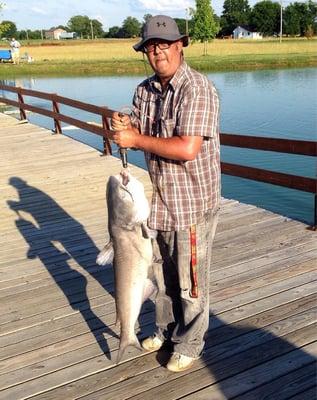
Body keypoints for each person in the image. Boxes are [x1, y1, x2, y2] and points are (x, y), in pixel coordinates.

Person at [110, 15, 221, 372]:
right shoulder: (144, 90)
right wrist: (125, 124)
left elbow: (188, 148)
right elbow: (139, 128)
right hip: (156, 204)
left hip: (191, 203)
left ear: (180, 46)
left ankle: (190, 341)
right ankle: (167, 328)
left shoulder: (198, 89)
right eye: (150, 48)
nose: (157, 53)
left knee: (190, 281)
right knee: (161, 275)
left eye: (164, 46)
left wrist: (135, 139)